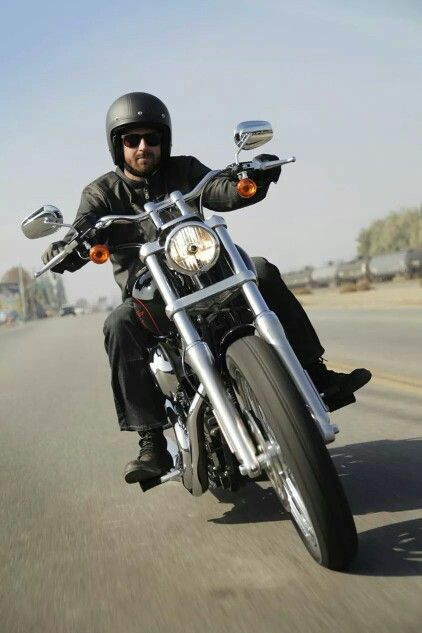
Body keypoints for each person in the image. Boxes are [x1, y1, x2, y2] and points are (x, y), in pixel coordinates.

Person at [42, 92, 371, 484]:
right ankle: (151, 442)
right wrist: (68, 245)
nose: (143, 147)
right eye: (132, 140)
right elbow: (84, 225)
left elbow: (219, 189)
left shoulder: (185, 169)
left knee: (261, 270)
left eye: (152, 138)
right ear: (118, 146)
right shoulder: (101, 194)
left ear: (165, 140)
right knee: (118, 324)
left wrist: (249, 178)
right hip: (151, 293)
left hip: (207, 273)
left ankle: (316, 376)